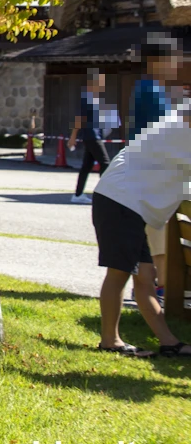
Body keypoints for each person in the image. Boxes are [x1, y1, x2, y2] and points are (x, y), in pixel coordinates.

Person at [91, 99, 191, 357]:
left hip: (126, 200)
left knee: (146, 276)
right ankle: (110, 341)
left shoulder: (176, 122)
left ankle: (169, 342)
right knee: (119, 273)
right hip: (122, 200)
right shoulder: (181, 128)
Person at [128, 35, 183, 293]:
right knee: (157, 231)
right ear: (155, 62)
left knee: (155, 231)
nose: (177, 63)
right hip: (152, 171)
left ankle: (153, 284)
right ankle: (159, 286)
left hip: (152, 169)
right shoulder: (150, 90)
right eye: (172, 58)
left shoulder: (153, 89)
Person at [67, 68, 109, 204]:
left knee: (86, 166)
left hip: (94, 134)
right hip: (92, 136)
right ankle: (106, 195)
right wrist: (73, 136)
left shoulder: (95, 98)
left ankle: (78, 194)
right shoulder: (88, 97)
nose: (102, 85)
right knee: (105, 163)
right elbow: (79, 118)